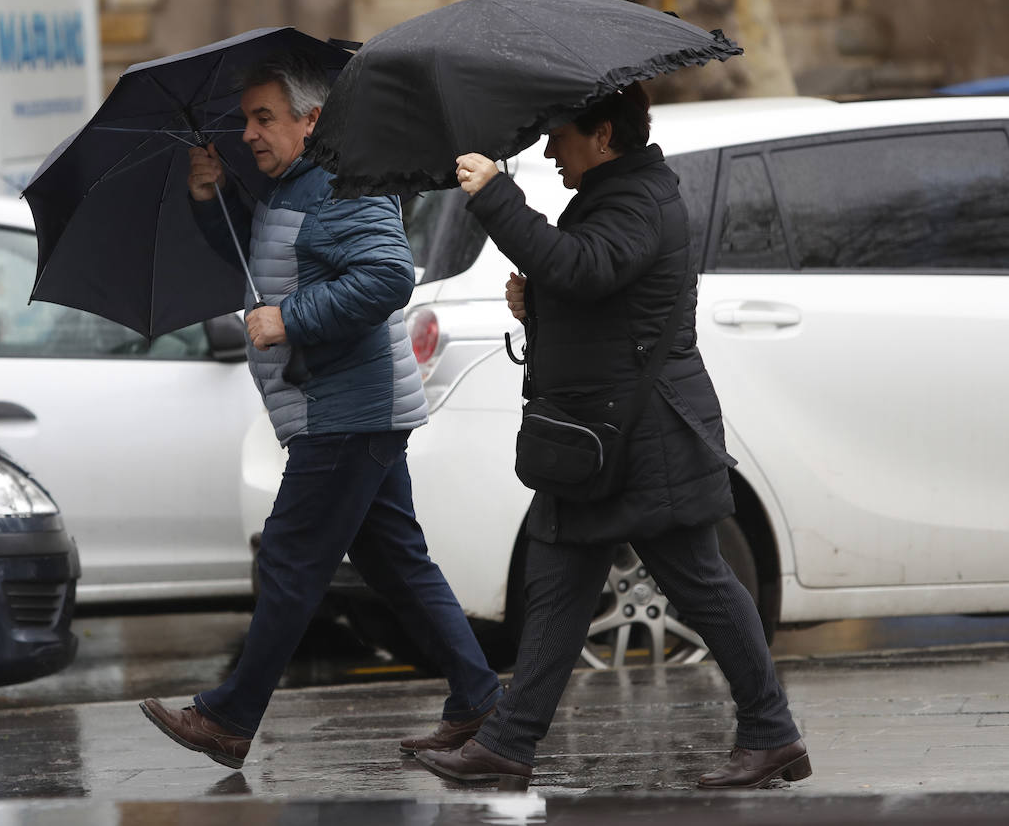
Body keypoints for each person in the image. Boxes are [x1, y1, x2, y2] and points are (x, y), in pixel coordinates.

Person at [414, 83, 810, 791]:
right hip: (604, 438)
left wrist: (498, 196)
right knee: (558, 584)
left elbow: (585, 267)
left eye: (561, 135)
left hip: (643, 438)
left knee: (703, 585)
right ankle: (508, 742)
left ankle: (772, 733)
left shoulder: (639, 199)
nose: (549, 150)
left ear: (603, 137)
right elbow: (600, 295)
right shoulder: (621, 195)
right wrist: (539, 303)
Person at [139, 52, 503, 770]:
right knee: (396, 563)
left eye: (263, 117)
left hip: (347, 410)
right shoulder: (291, 186)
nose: (248, 133)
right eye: (246, 119)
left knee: (289, 557)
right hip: (342, 407)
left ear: (312, 120)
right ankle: (478, 698)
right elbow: (262, 263)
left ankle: (231, 717)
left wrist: (292, 320)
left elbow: (389, 275)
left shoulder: (344, 184)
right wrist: (212, 201)